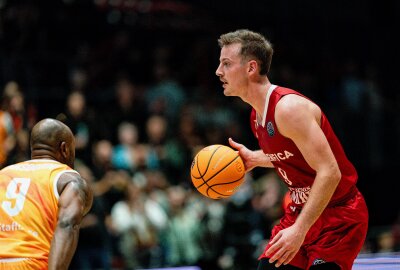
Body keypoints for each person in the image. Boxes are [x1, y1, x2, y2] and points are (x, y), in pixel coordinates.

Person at [215, 29, 368, 270]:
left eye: (226, 63)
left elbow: (330, 172)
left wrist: (299, 230)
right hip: (301, 212)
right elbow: (291, 156)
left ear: (251, 68)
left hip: (338, 215)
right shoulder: (257, 116)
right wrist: (255, 158)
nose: (218, 71)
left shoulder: (289, 109)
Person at [0, 118, 93, 269]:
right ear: (64, 149)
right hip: (33, 264)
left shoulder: (3, 174)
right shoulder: (67, 179)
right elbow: (67, 224)